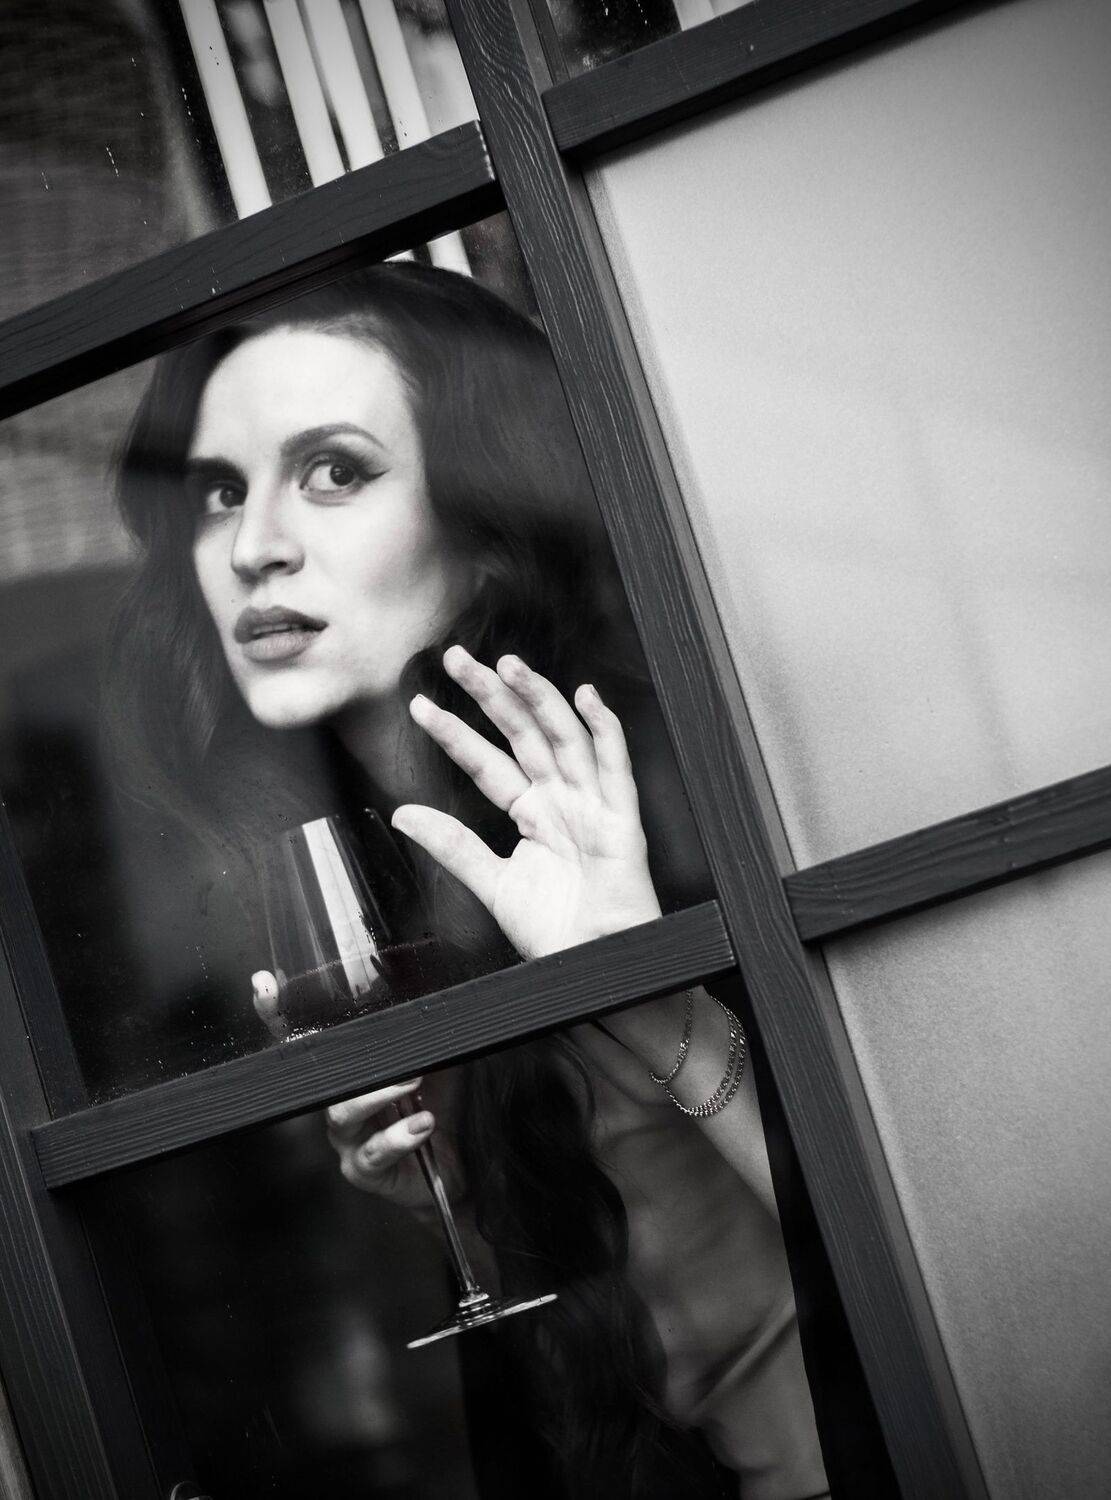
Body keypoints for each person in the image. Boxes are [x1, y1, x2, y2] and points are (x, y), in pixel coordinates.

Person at [108, 262, 829, 1499]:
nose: (254, 548)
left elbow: (926, 1238)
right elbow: (590, 1320)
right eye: (220, 492)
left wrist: (647, 993)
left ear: (487, 528)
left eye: (333, 472)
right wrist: (437, 1197)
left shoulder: (667, 790)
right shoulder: (370, 877)